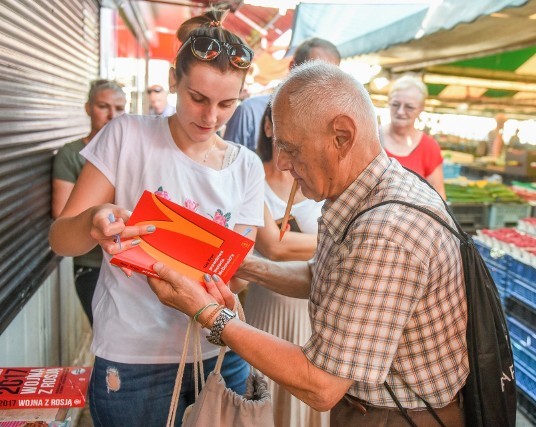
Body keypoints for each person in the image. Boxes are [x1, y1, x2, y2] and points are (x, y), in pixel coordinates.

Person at [146, 61, 469, 427]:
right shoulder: (363, 190)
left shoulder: (385, 230)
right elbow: (324, 275)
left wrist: (207, 313)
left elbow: (321, 383)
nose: (281, 162)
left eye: (290, 147)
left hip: (399, 418)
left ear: (342, 136)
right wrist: (245, 266)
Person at [48, 9, 265, 427]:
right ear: (172, 81)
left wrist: (226, 275)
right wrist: (94, 219)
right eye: (197, 98)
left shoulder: (247, 167)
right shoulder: (127, 135)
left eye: (227, 104)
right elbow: (62, 240)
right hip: (132, 359)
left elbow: (238, 277)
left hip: (220, 350)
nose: (210, 117)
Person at [244, 104, 327, 427]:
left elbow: (277, 244)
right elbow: (272, 246)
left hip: (313, 310)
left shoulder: (319, 181)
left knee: (307, 401)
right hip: (266, 304)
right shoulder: (252, 174)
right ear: (268, 127)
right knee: (263, 399)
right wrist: (334, 241)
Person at [51, 78, 126, 326]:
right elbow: (62, 213)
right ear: (88, 108)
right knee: (109, 334)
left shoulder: (131, 154)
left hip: (130, 263)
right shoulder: (71, 154)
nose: (111, 115)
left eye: (119, 108)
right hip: (92, 265)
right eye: (103, 106)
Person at [223, 37, 341, 151]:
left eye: (331, 77)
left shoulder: (326, 128)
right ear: (292, 67)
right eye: (316, 73)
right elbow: (225, 165)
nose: (324, 84)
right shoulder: (250, 112)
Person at [380, 75, 446, 199]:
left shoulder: (429, 147)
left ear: (420, 109)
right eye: (395, 104)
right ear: (389, 102)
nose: (400, 111)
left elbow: (439, 198)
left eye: (409, 107)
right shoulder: (371, 138)